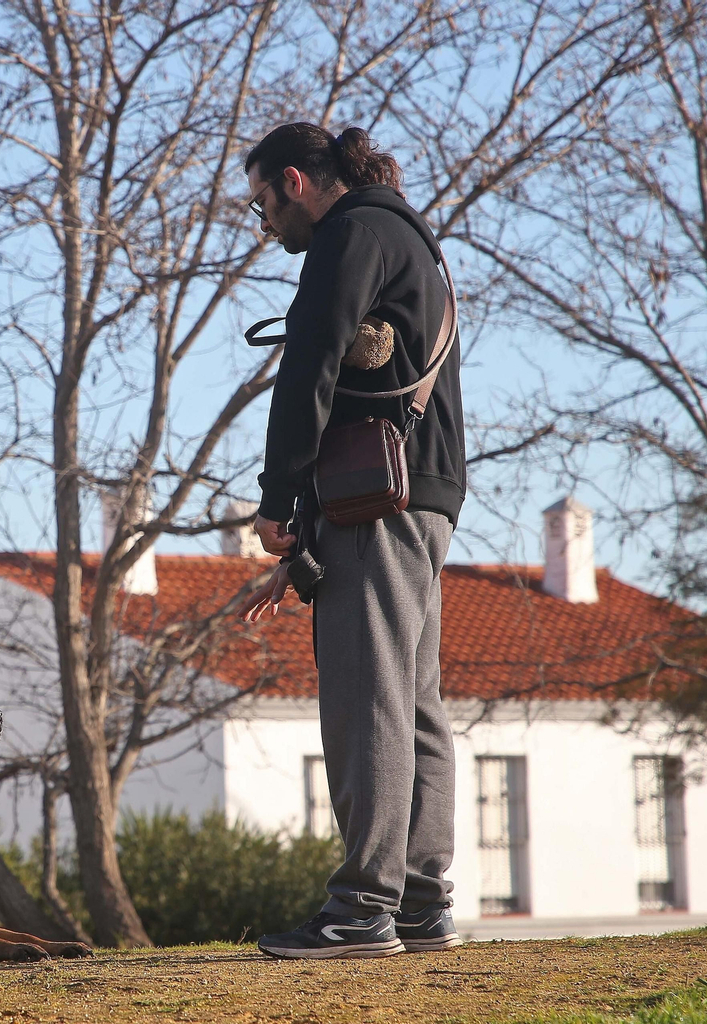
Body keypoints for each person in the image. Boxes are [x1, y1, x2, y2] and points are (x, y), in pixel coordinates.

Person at [242, 123, 465, 959]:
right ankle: (417, 903)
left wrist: (276, 496)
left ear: (296, 181)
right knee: (412, 700)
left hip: (376, 495)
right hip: (425, 490)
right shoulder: (407, 231)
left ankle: (364, 909)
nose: (266, 224)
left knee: (368, 695)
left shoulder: (347, 235)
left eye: (263, 203)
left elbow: (312, 362)